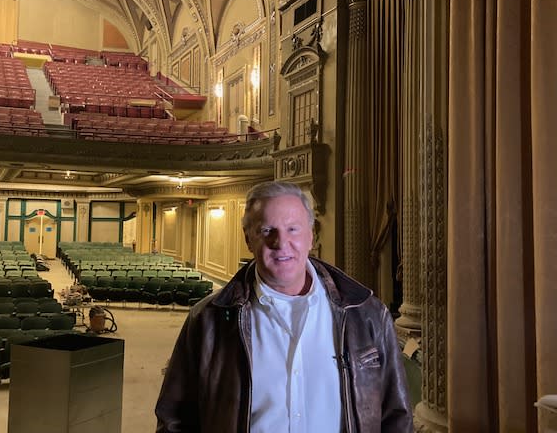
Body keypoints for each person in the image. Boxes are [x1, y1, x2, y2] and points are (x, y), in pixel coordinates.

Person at [155, 181, 413, 432]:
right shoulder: (207, 320)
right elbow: (175, 418)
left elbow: (396, 417)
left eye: (293, 229)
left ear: (311, 235)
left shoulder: (366, 313)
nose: (280, 243)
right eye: (267, 230)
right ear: (248, 239)